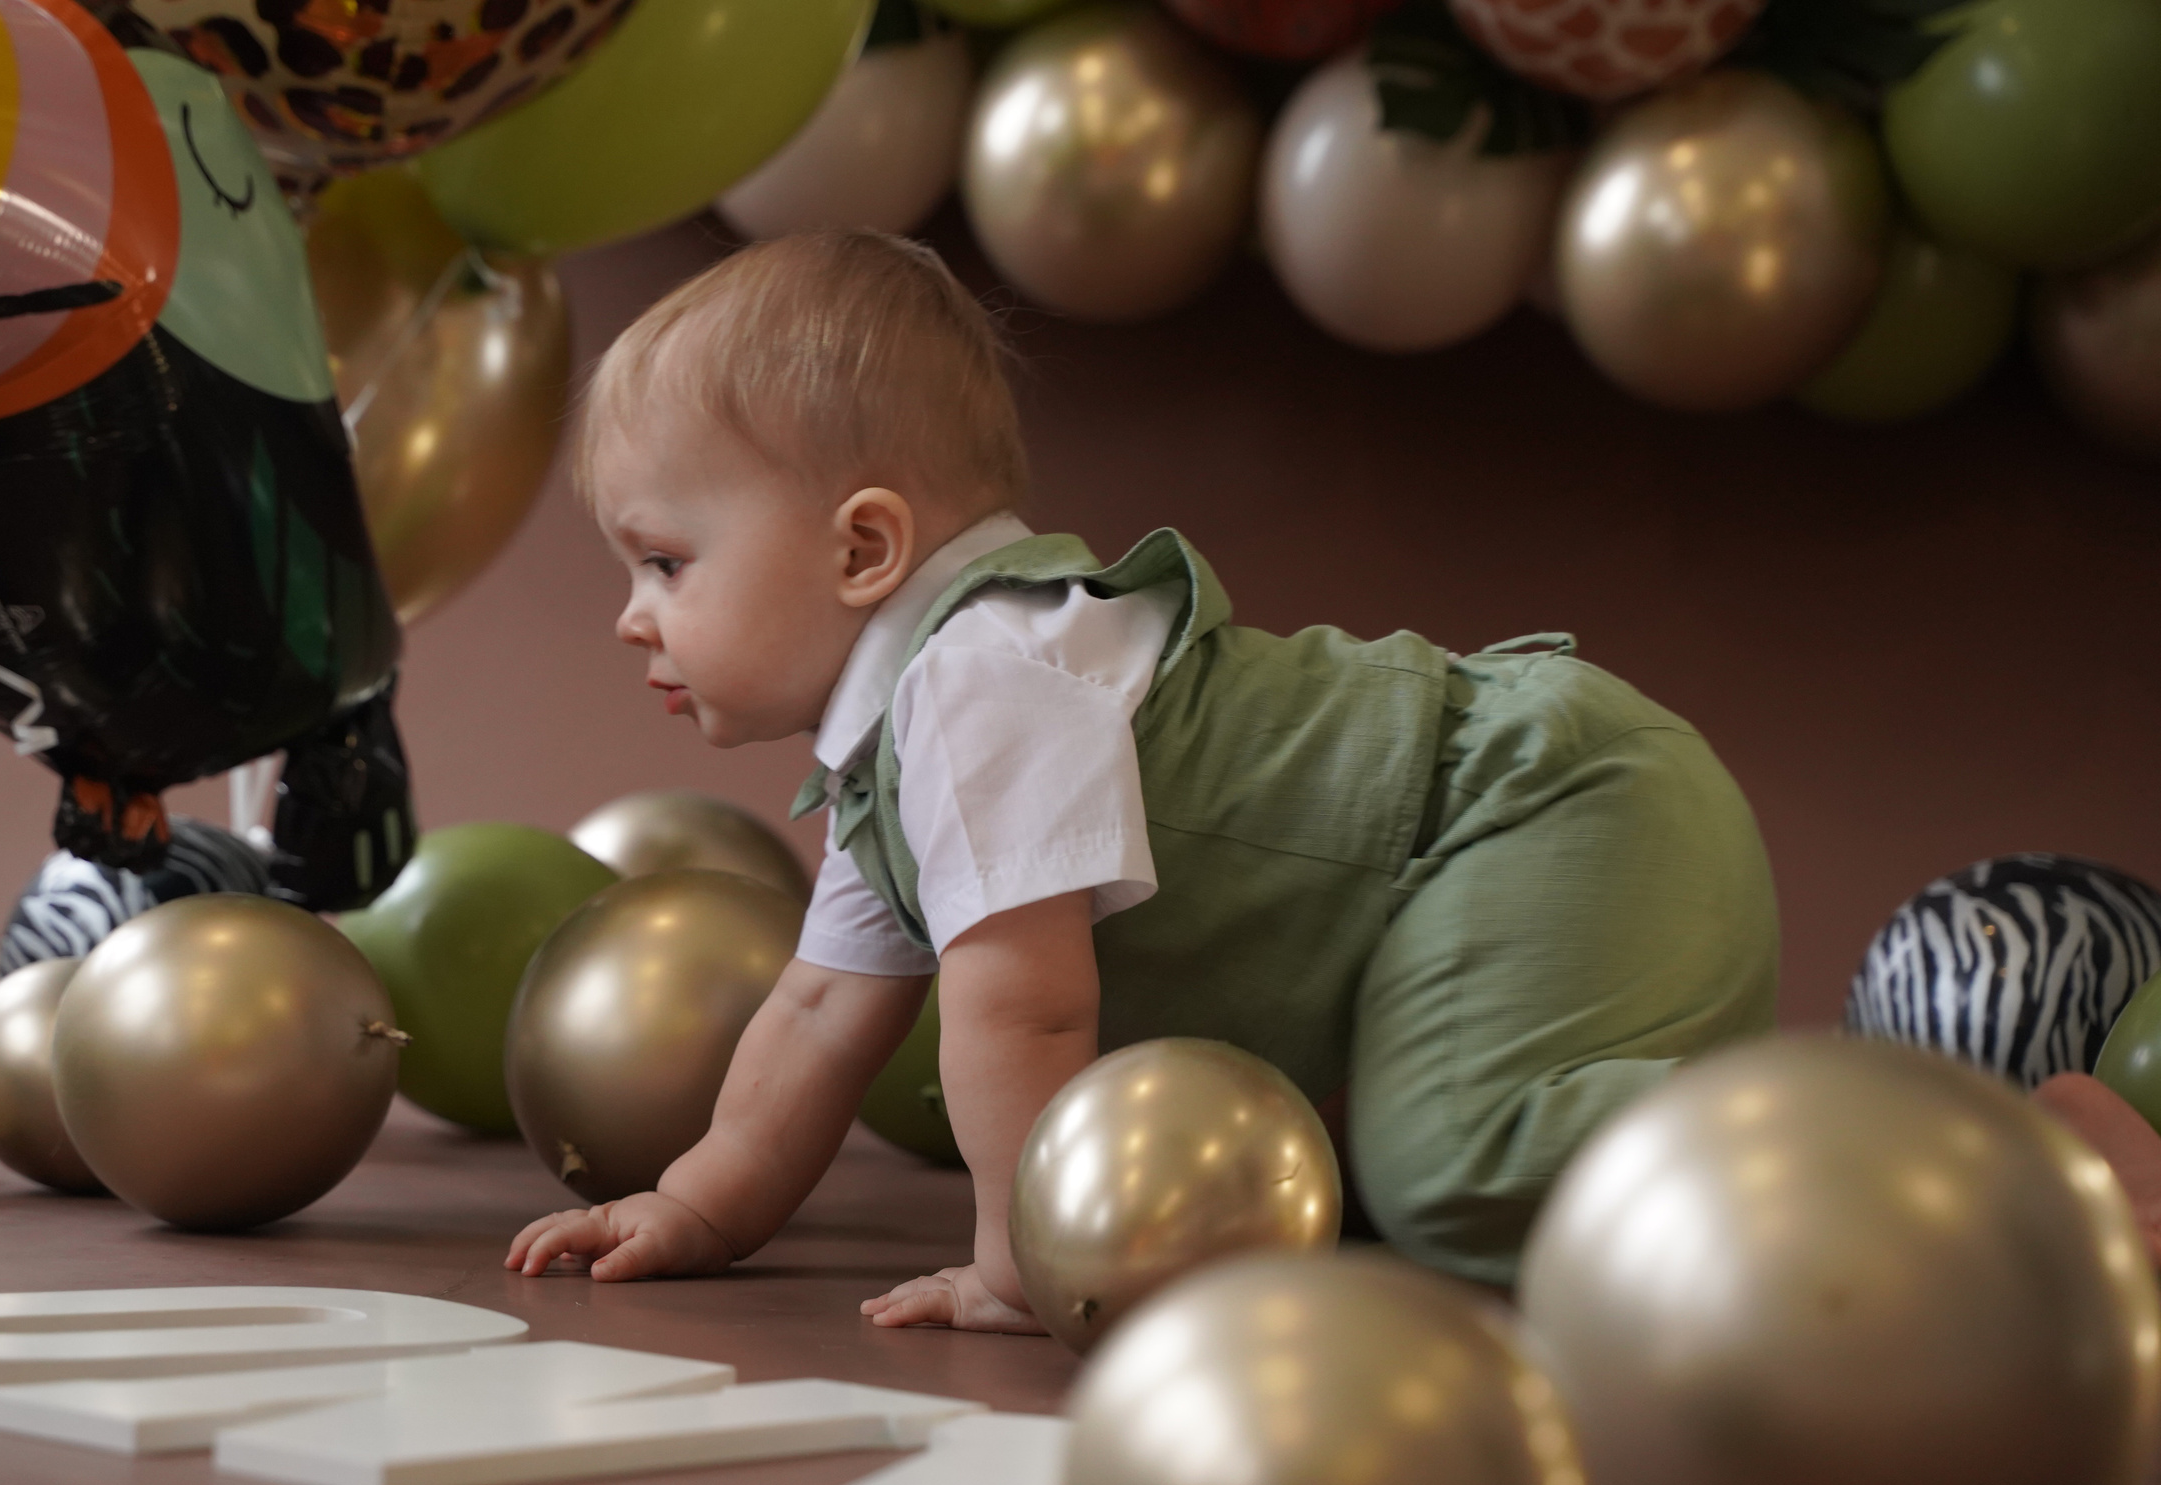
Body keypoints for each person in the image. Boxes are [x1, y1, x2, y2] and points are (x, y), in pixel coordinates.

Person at [497, 230, 2139, 1334]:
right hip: (1488, 865)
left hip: (1540, 809)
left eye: (662, 560)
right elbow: (812, 1013)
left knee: (1450, 1168)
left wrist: (1024, 1260)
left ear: (865, 547)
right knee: (1390, 1203)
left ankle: (2008, 1143)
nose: (635, 616)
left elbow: (1021, 1014)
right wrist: (698, 1209)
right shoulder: (895, 744)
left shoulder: (980, 685)